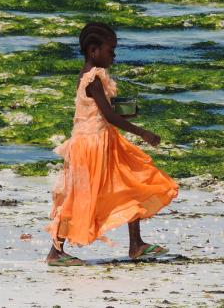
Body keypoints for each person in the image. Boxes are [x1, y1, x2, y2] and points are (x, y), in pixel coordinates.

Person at [45, 22, 179, 266]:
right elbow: (108, 116)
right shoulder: (93, 78)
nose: (114, 57)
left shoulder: (94, 75)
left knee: (131, 184)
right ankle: (55, 252)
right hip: (91, 147)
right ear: (93, 51)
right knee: (77, 197)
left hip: (105, 142)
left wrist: (127, 112)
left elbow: (103, 111)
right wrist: (142, 132)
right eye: (111, 51)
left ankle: (136, 244)